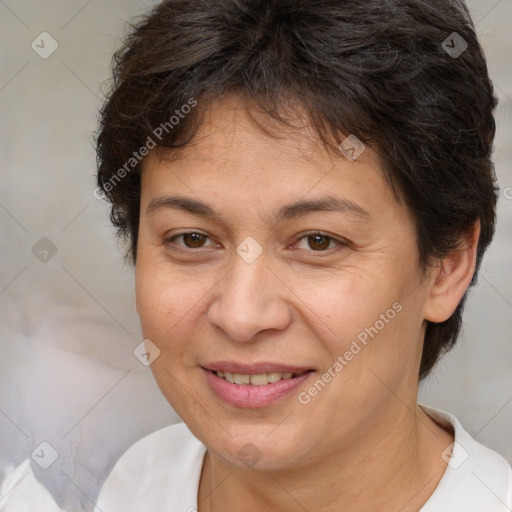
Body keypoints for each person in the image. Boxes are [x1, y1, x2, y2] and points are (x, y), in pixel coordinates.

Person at [93, 0, 512, 510]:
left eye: (318, 241)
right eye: (193, 239)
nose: (242, 316)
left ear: (447, 266)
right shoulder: (138, 483)